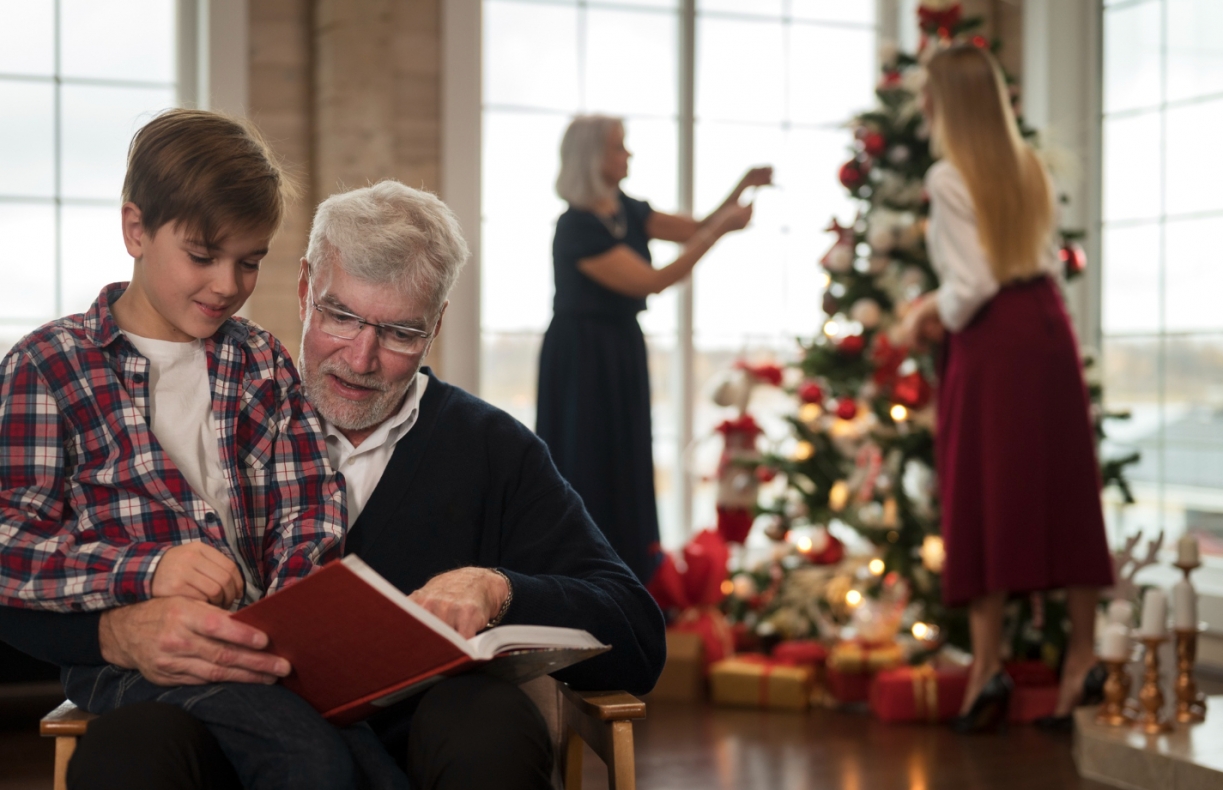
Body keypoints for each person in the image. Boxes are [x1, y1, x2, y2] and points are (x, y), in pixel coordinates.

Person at [0, 180, 666, 789]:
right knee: (129, 751)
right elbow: (23, 576)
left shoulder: (491, 449)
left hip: (424, 745)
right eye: (340, 316)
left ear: (435, 327)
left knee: (487, 718)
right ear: (303, 289)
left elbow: (635, 637)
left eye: (400, 332)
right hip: (225, 737)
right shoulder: (221, 405)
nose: (361, 358)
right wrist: (112, 633)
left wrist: (497, 587)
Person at [0, 109, 414, 787]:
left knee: (376, 769)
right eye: (203, 255)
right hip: (145, 663)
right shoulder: (49, 367)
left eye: (249, 261)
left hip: (267, 649)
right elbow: (11, 543)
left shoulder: (260, 361)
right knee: (310, 764)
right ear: (136, 230)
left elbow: (308, 502)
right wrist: (148, 570)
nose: (227, 284)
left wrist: (298, 599)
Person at [899, 45, 1113, 733]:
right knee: (1065, 490)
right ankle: (1080, 660)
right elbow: (1029, 261)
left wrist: (922, 312)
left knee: (980, 489)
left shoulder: (947, 175)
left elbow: (973, 285)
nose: (921, 104)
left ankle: (986, 666)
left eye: (928, 93)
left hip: (992, 343)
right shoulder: (1027, 166)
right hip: (1046, 328)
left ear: (947, 102)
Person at [537, 114, 771, 582]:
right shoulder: (577, 228)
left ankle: (630, 578)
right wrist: (721, 231)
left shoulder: (626, 210)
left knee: (626, 459)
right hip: (584, 358)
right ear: (593, 158)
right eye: (619, 147)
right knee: (587, 460)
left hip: (620, 349)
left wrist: (741, 187)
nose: (629, 155)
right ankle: (586, 579)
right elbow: (655, 280)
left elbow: (695, 227)